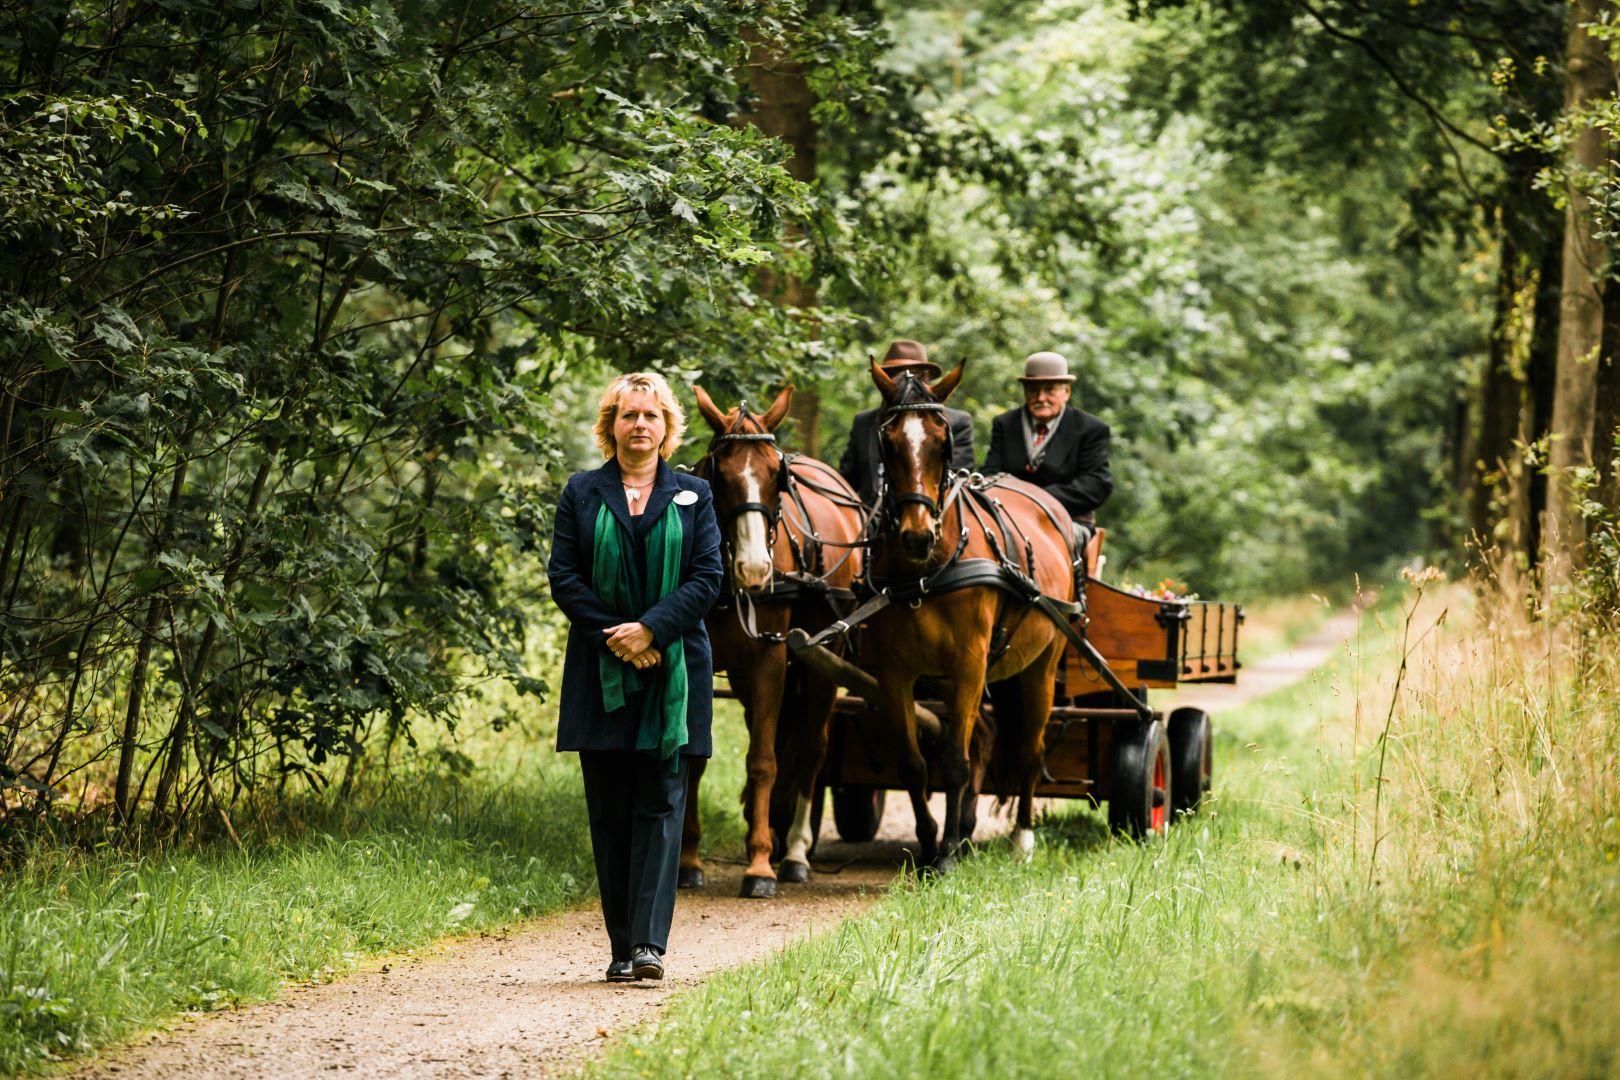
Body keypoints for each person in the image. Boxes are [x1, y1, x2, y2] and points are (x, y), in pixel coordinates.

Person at [546, 372, 723, 983]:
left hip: (674, 669)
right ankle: (620, 947)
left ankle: (649, 945)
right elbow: (564, 577)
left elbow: (707, 579)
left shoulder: (696, 494)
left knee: (662, 801)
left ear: (667, 427)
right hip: (601, 669)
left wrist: (651, 630)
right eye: (629, 416)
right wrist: (619, 638)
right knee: (610, 808)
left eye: (651, 416)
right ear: (611, 425)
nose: (640, 425)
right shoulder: (581, 492)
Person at [981, 351, 1113, 542]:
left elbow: (1097, 483)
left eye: (1050, 390)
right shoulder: (1005, 424)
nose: (1041, 397)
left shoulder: (1089, 429)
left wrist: (1039, 500)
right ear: (1026, 392)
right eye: (1034, 390)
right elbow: (990, 472)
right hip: (1009, 518)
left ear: (1066, 392)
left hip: (1067, 520)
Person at [838, 339, 975, 506]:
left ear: (925, 379)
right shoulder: (864, 422)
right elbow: (847, 480)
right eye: (897, 375)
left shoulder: (956, 422)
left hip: (932, 513)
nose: (906, 383)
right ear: (885, 381)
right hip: (871, 519)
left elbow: (957, 478)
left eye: (913, 375)